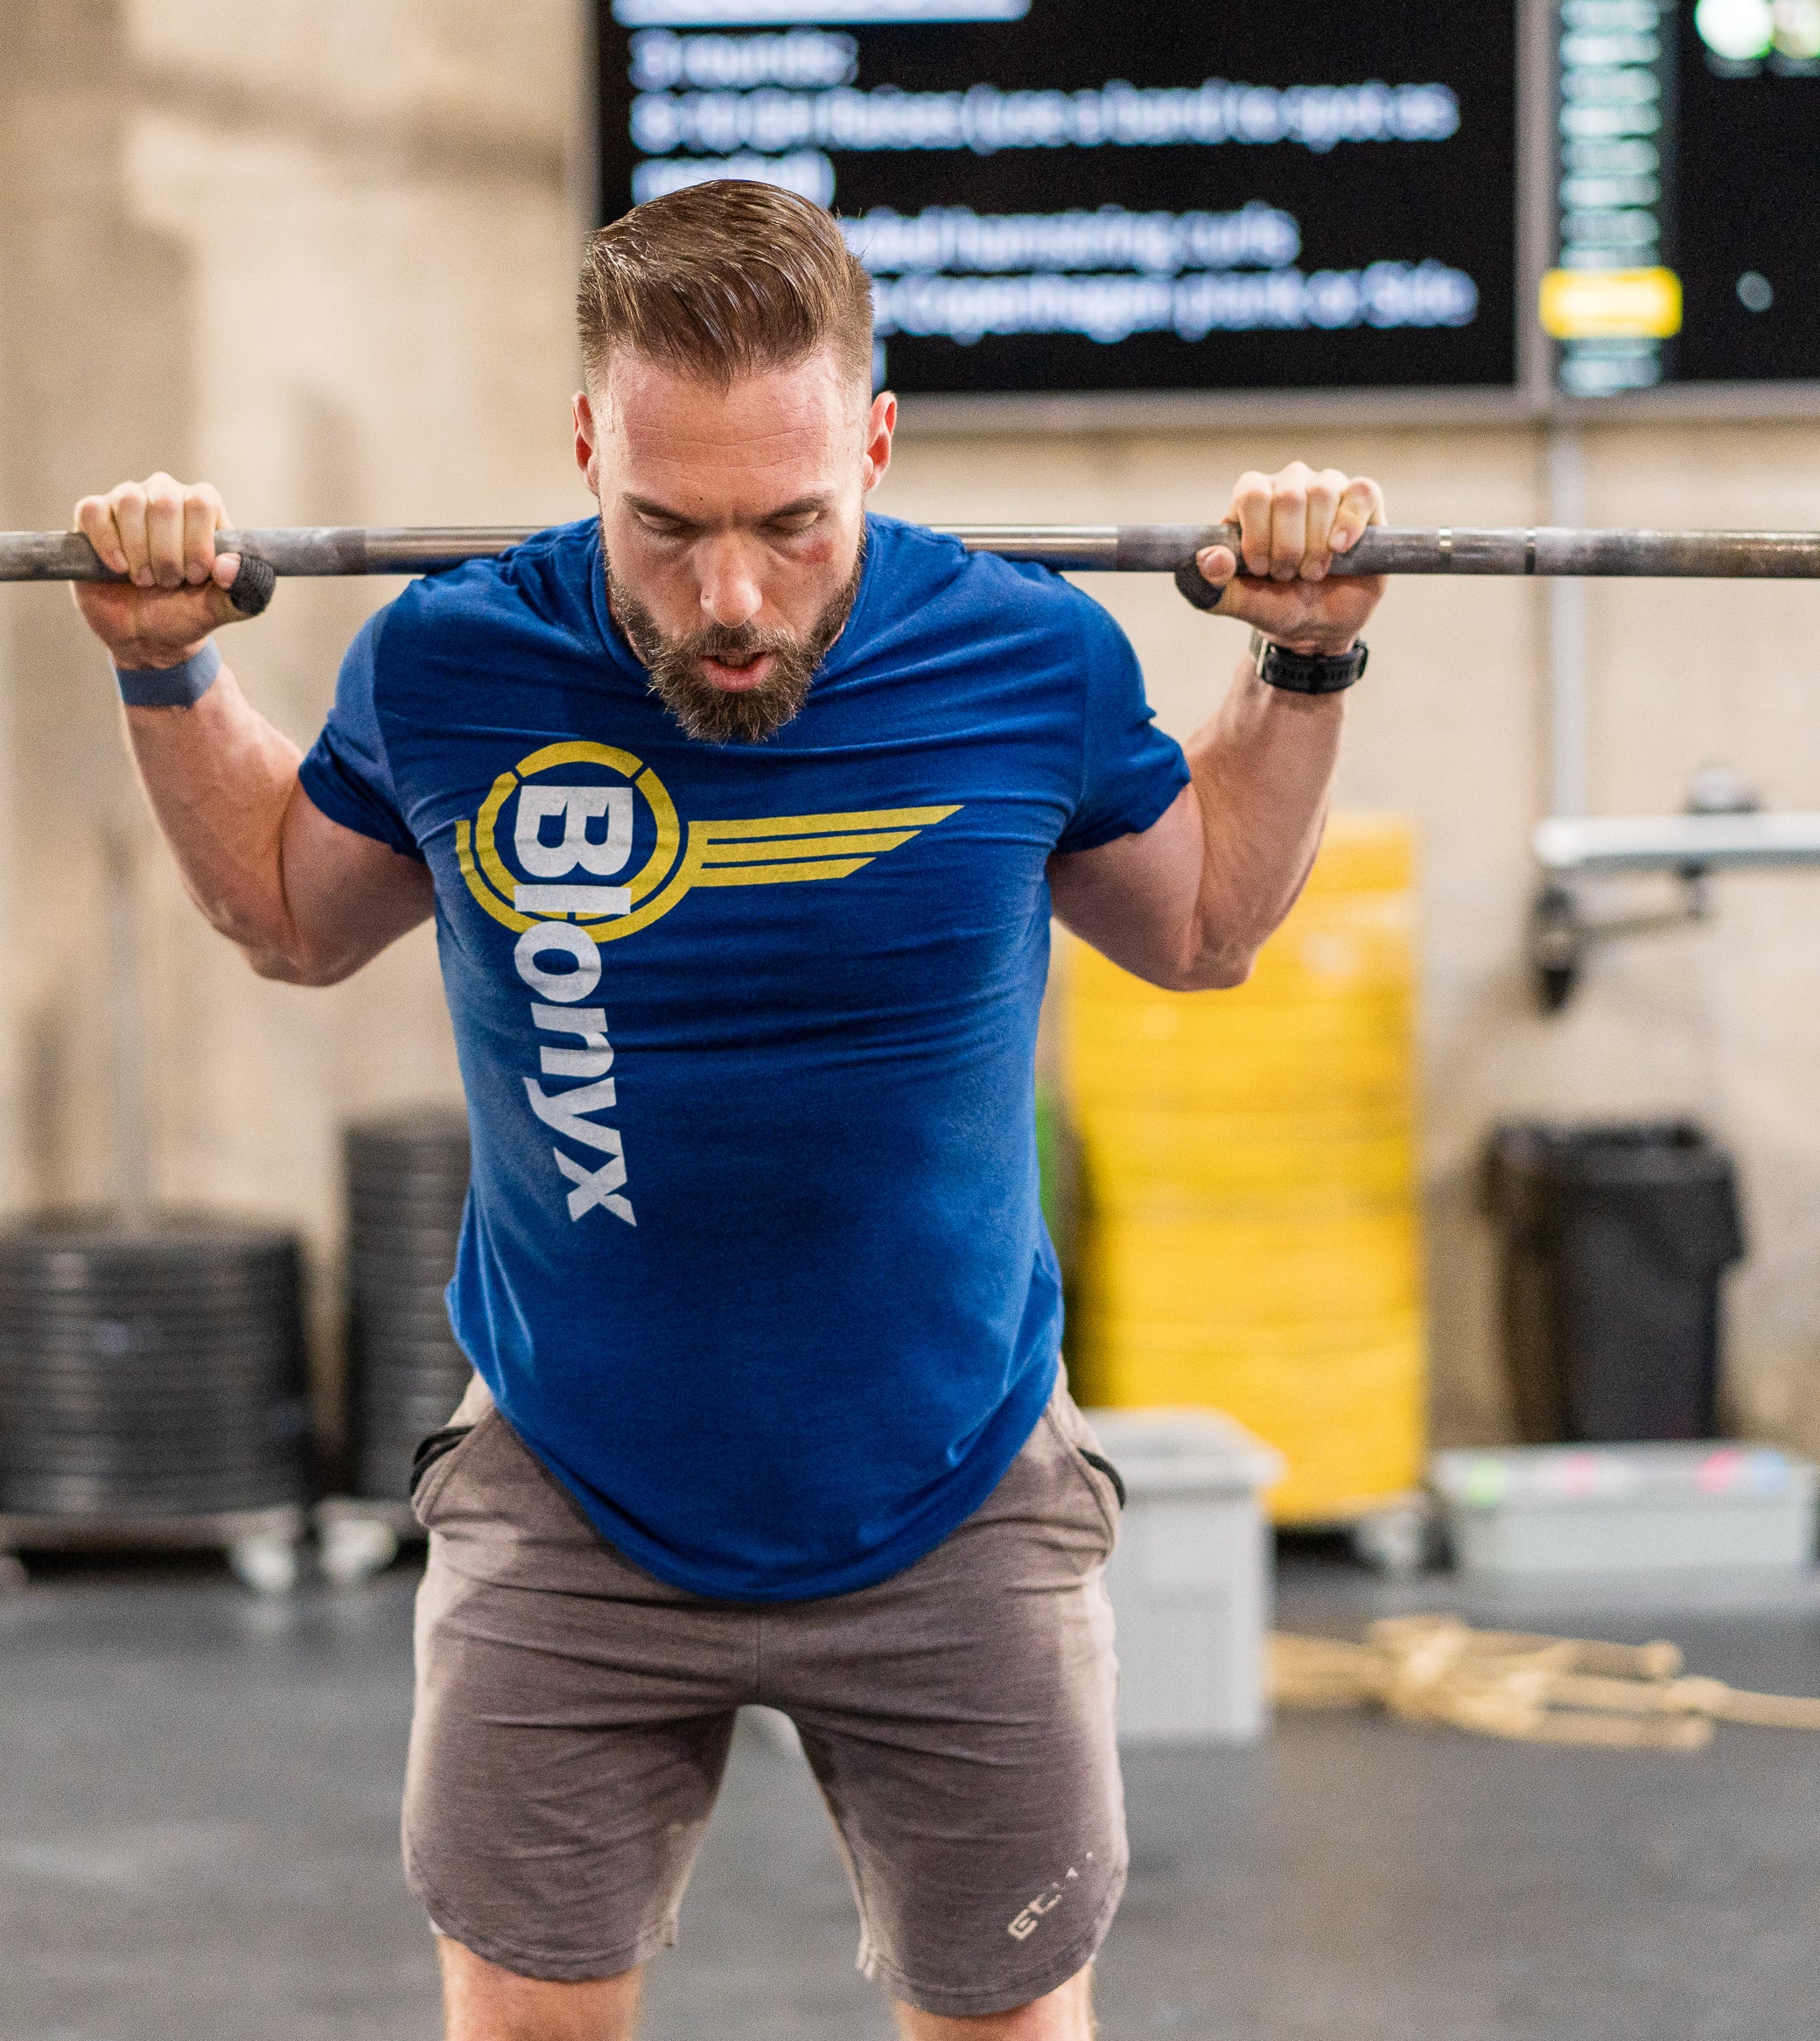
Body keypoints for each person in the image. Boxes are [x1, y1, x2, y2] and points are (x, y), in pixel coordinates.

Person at [70, 179, 1385, 2041]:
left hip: (952, 1482)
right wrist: (164, 667)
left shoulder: (1026, 657)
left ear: (876, 442)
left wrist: (1304, 658)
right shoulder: (453, 664)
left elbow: (1201, 927)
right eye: (667, 530)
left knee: (1005, 2024)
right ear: (588, 443)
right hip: (574, 1479)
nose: (735, 599)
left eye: (792, 524)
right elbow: (289, 918)